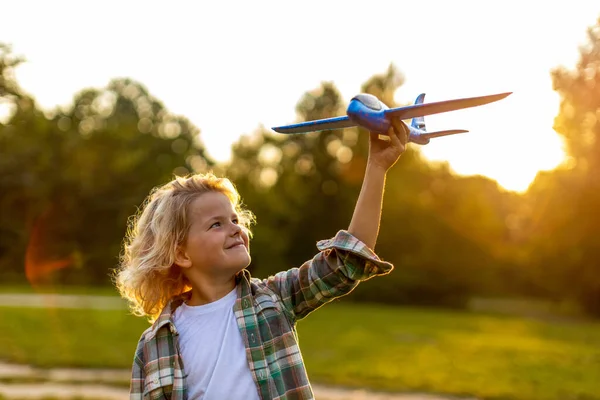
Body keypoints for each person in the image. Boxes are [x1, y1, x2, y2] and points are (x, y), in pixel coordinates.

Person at [114, 123, 407, 400]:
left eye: (234, 219)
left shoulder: (274, 299)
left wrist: (377, 167)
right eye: (216, 224)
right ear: (181, 254)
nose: (235, 228)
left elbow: (347, 260)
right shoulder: (153, 345)